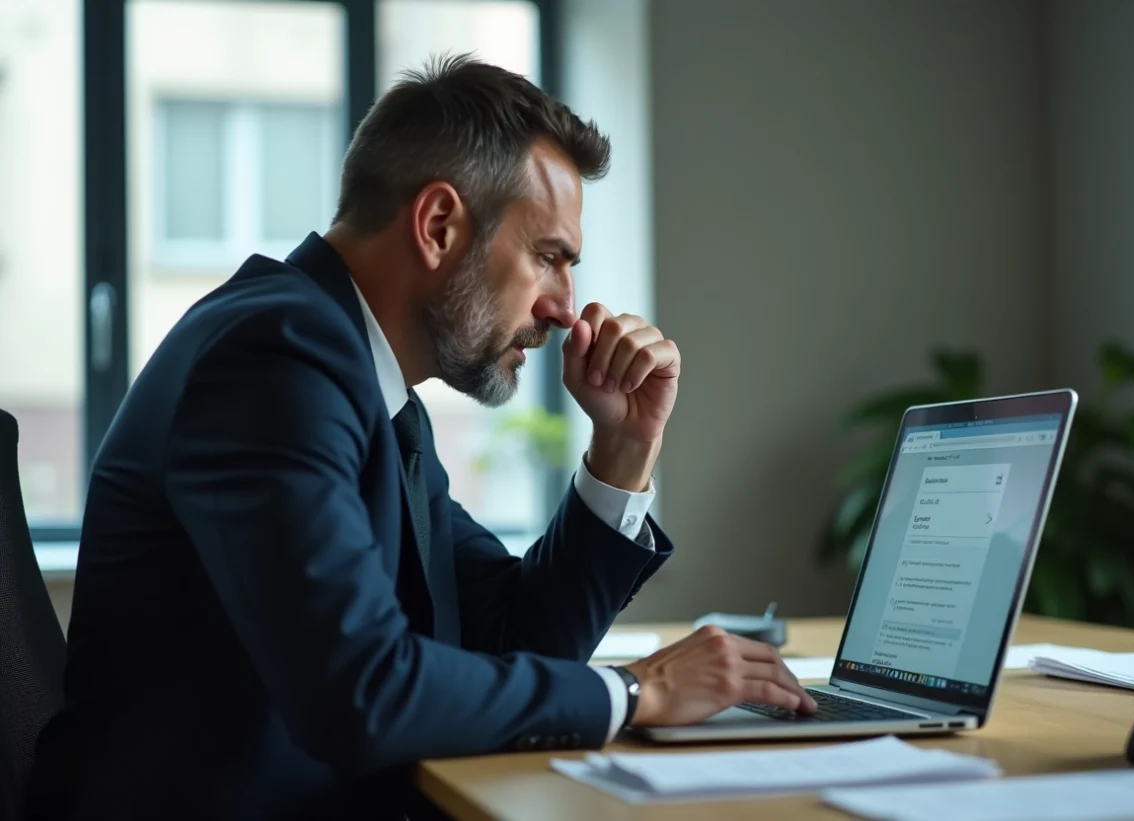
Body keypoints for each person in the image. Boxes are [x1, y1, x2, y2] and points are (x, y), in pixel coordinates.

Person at [26, 55, 814, 821]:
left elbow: (511, 635)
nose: (566, 308)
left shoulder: (365, 385)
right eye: (548, 258)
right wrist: (638, 693)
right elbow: (361, 691)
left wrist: (624, 447)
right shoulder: (275, 359)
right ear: (438, 225)